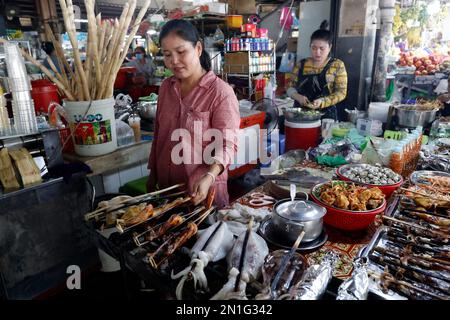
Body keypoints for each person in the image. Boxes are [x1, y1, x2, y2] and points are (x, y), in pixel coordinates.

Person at [147, 19, 240, 209]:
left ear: (198, 49)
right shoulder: (166, 87)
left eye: (181, 52)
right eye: (167, 54)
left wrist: (210, 175)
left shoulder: (220, 92)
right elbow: (159, 134)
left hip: (203, 194)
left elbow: (228, 144)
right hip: (167, 194)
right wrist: (153, 174)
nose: (174, 61)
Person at [287, 20, 347, 121]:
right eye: (314, 48)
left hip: (326, 116)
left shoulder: (337, 65)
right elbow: (289, 87)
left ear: (330, 47)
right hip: (301, 114)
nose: (317, 52)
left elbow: (341, 93)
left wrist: (323, 101)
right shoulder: (301, 65)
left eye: (321, 48)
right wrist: (297, 97)